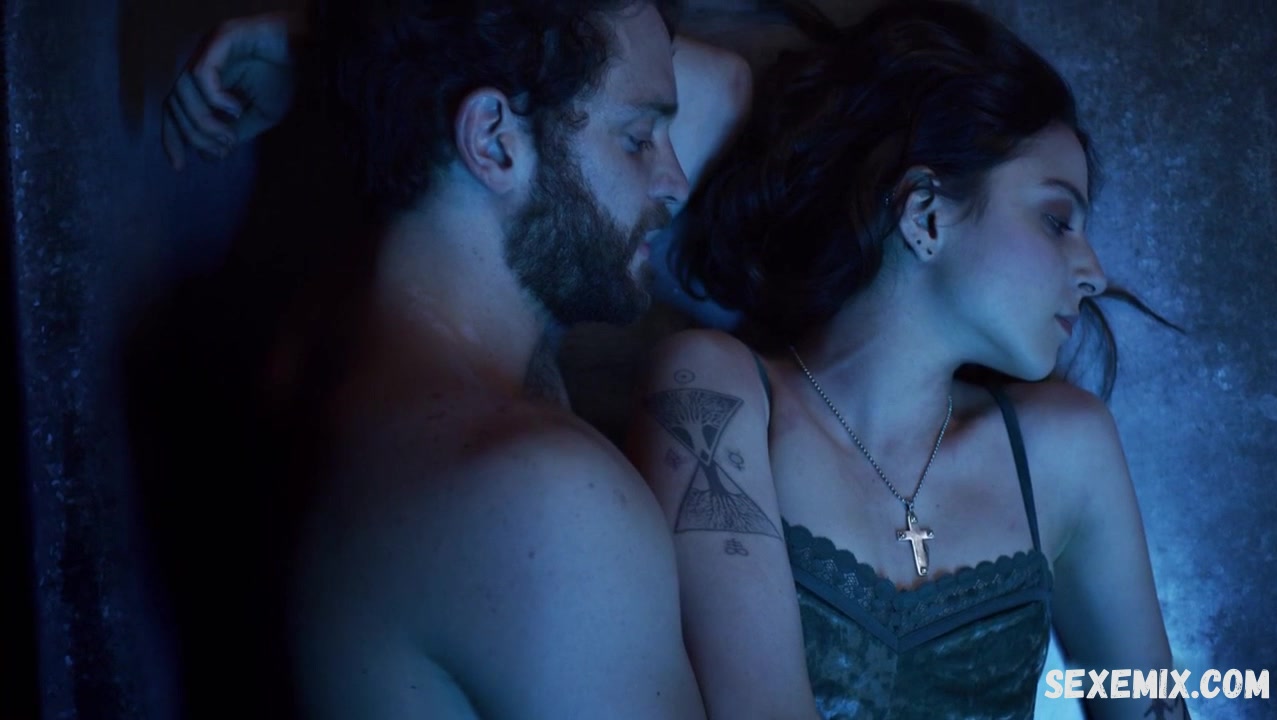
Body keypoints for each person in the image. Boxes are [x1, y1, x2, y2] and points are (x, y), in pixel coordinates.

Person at [161, 1, 752, 717]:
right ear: (494, 141)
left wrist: (338, 39)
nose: (674, 181)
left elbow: (721, 87)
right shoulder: (544, 504)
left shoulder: (338, 333)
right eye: (637, 140)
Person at [626, 1, 1185, 719]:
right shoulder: (716, 392)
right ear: (925, 214)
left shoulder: (1066, 449)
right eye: (1056, 221)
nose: (1093, 274)